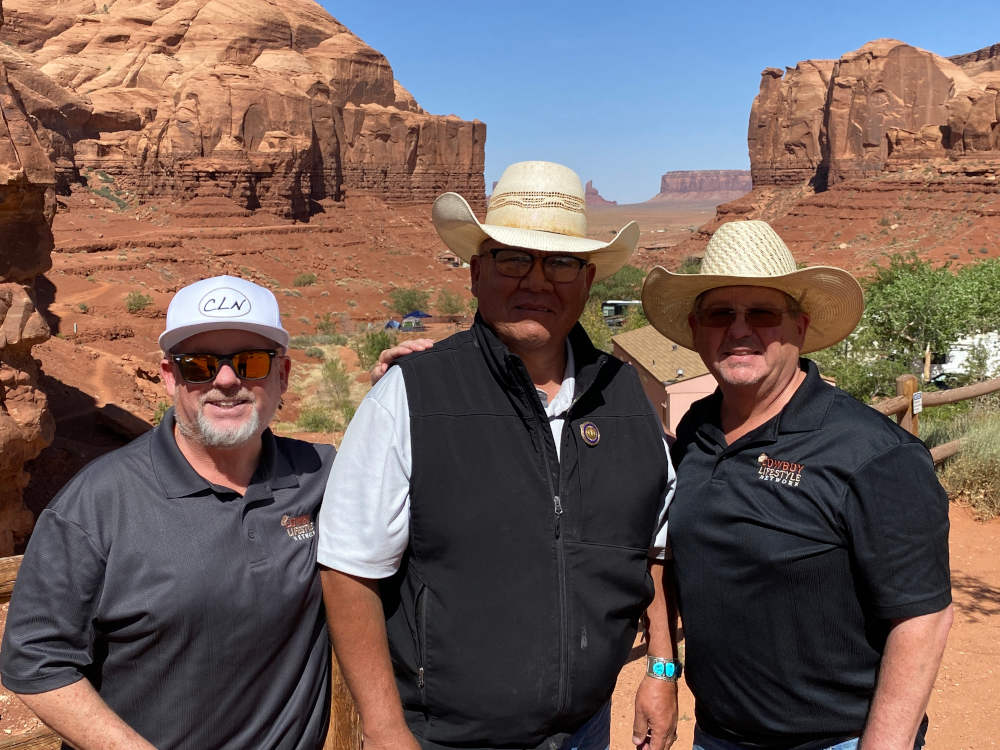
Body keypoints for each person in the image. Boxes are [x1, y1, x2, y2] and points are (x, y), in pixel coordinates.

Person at [318, 161, 679, 750]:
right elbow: (349, 569)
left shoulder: (625, 398)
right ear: (477, 272)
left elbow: (653, 548)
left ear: (588, 281)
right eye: (515, 258)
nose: (537, 281)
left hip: (586, 731)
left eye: (560, 262)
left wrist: (661, 671)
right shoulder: (413, 394)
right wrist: (383, 729)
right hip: (446, 738)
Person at [641, 220, 953, 750]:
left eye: (762, 312)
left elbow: (922, 617)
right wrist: (663, 669)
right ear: (696, 330)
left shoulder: (874, 453)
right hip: (717, 736)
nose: (739, 330)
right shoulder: (696, 431)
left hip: (838, 739)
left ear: (800, 327)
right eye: (721, 314)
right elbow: (666, 555)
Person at [1, 276, 333, 750]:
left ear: (282, 375)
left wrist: (403, 385)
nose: (226, 380)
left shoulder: (320, 474)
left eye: (251, 361)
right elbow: (34, 659)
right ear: (169, 376)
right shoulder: (99, 501)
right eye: (198, 365)